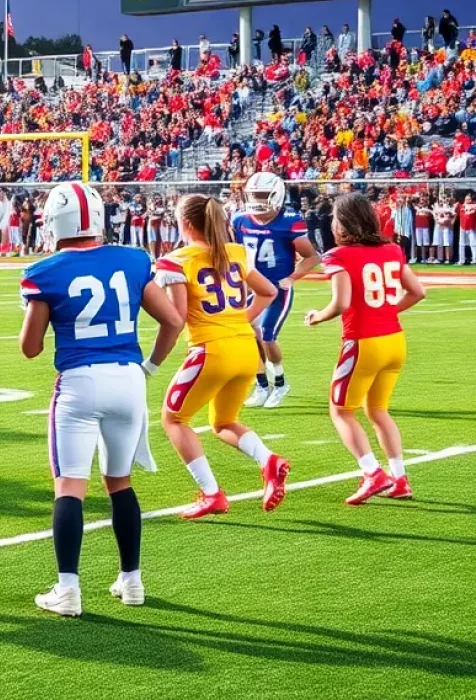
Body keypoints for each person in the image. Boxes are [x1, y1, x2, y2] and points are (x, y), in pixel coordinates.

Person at [19, 183, 182, 616]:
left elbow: (30, 348)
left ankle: (68, 588)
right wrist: (148, 367)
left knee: (70, 486)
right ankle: (132, 581)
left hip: (79, 382)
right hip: (129, 380)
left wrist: (43, 310)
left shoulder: (45, 271)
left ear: (56, 222)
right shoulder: (133, 258)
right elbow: (172, 320)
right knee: (120, 483)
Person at [154, 194, 289, 519]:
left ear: (185, 223)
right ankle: (268, 460)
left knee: (174, 419)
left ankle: (212, 493)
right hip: (244, 348)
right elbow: (269, 291)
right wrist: (239, 318)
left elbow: (178, 316)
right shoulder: (237, 252)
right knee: (223, 421)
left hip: (210, 349)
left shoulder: (177, 260)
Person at [305, 193, 426, 503]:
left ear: (344, 224)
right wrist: (386, 312)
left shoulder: (338, 256)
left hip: (362, 343)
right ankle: (400, 478)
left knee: (341, 412)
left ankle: (373, 472)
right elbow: (417, 292)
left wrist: (317, 317)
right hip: (394, 341)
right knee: (378, 411)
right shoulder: (392, 249)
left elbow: (341, 302)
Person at [232, 172, 320, 408]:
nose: (258, 201)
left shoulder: (290, 220)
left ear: (277, 196)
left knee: (267, 334)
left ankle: (280, 383)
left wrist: (292, 278)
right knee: (249, 335)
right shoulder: (240, 220)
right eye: (254, 195)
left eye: (263, 195)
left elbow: (312, 256)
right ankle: (261, 385)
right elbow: (236, 252)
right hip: (252, 287)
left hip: (277, 287)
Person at [432, 193, 457, 264]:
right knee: (440, 243)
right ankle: (440, 258)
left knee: (447, 242)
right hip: (439, 226)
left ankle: (448, 259)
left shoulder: (449, 208)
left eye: (443, 200)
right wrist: (438, 221)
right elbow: (434, 216)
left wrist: (451, 223)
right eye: (440, 200)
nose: (442, 202)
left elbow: (454, 214)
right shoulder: (436, 208)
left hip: (447, 227)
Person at [458, 194, 476, 266]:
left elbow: (472, 211)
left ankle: (475, 260)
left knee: (473, 244)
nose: (466, 200)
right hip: (462, 227)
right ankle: (461, 260)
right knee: (461, 244)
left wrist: (469, 209)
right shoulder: (462, 206)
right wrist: (467, 208)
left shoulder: (474, 205)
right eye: (466, 199)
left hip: (471, 227)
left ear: (471, 200)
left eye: (468, 199)